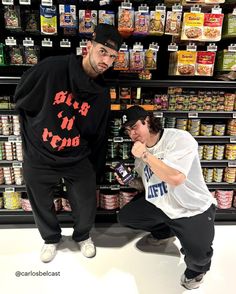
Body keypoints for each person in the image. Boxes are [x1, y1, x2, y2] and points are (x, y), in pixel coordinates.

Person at [14, 24, 122, 263]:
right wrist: (33, 138)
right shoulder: (53, 68)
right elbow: (21, 97)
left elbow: (98, 134)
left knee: (85, 201)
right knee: (40, 201)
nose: (106, 60)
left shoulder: (101, 94)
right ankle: (51, 238)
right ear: (89, 47)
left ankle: (83, 235)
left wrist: (93, 166)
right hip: (41, 154)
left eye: (112, 57)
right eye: (103, 51)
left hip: (76, 156)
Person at [116, 105, 216, 290]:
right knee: (126, 217)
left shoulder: (178, 138)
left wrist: (145, 155)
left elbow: (176, 178)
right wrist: (129, 181)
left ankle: (197, 271)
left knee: (199, 257)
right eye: (128, 131)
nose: (132, 134)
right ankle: (165, 232)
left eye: (134, 126)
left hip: (191, 208)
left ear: (147, 120)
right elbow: (146, 185)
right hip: (161, 204)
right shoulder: (140, 155)